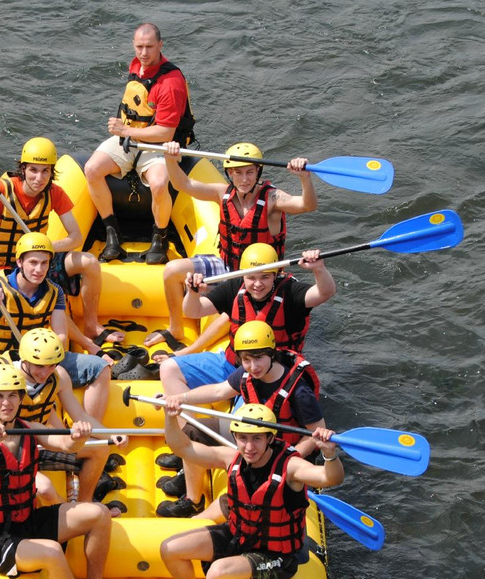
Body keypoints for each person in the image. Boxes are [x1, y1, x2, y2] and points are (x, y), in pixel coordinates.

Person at [0, 364, 122, 579]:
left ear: (21, 398)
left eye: (13, 395)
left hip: (28, 520)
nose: (6, 403)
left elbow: (65, 445)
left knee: (99, 513)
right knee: (52, 551)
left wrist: (78, 437)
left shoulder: (28, 428)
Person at [158, 401, 343, 579]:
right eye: (243, 438)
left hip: (277, 557)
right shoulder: (231, 458)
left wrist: (329, 454)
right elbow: (182, 447)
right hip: (241, 537)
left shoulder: (291, 467)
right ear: (235, 437)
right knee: (170, 548)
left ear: (270, 438)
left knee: (218, 571)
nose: (249, 447)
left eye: (257, 439)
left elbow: (330, 478)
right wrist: (170, 415)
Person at [144, 141, 317, 353]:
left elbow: (307, 205)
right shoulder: (222, 193)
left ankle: (189, 351)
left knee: (234, 308)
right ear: (229, 174)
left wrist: (304, 177)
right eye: (238, 173)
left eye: (249, 172)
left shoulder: (272, 198)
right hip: (226, 266)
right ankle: (175, 328)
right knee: (171, 271)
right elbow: (184, 185)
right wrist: (170, 158)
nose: (244, 179)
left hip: (257, 275)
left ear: (257, 172)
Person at [0, 136, 118, 343]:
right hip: (4, 268)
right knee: (45, 292)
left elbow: (75, 237)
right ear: (23, 169)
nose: (39, 178)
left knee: (89, 263)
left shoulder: (54, 193)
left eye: (45, 171)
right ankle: (86, 344)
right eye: (33, 170)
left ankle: (91, 325)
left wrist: (43, 247)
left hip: (38, 260)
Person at [156, 320, 325, 518]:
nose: (253, 366)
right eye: (246, 360)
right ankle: (193, 500)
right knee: (193, 431)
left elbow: (315, 435)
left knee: (249, 490)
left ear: (271, 353)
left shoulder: (298, 390)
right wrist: (179, 398)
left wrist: (284, 462)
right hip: (253, 436)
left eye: (259, 358)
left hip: (282, 449)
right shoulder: (247, 372)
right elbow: (219, 391)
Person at [0, 328, 125, 515]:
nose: (45, 372)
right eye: (39, 366)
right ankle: (72, 517)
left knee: (100, 449)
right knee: (44, 488)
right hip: (10, 448)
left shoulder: (59, 376)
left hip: (39, 441)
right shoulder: (1, 375)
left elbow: (80, 415)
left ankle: (85, 503)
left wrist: (112, 434)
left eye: (51, 365)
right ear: (26, 360)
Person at [0, 232, 112, 420]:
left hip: (42, 358)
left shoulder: (54, 291)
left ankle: (89, 434)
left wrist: (43, 361)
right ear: (19, 263)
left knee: (99, 368)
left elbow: (61, 336)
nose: (38, 269)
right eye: (33, 263)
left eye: (44, 263)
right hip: (5, 364)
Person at [158, 242, 336, 398]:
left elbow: (324, 293)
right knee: (168, 368)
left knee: (248, 422)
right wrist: (193, 293)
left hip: (266, 374)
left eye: (265, 277)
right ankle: (188, 429)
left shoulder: (290, 293)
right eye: (251, 277)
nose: (257, 284)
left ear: (276, 274)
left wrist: (318, 269)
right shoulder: (235, 287)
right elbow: (193, 311)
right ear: (243, 274)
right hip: (231, 364)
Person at [83, 22, 196, 264]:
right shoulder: (138, 66)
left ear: (160, 45)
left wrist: (124, 130)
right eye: (139, 47)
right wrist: (125, 132)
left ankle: (160, 237)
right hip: (130, 137)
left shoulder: (171, 82)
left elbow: (166, 132)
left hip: (158, 144)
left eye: (149, 47)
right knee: (92, 169)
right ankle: (112, 231)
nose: (144, 53)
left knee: (158, 183)